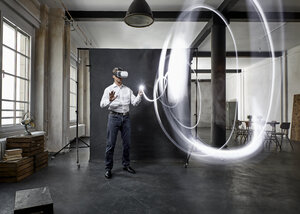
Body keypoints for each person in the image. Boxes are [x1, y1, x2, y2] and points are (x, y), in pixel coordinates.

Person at [100, 67, 143, 179]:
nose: (119, 77)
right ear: (113, 76)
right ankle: (108, 168)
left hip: (126, 118)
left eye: (120, 75)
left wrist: (139, 95)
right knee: (110, 144)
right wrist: (110, 100)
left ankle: (126, 165)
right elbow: (102, 104)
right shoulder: (108, 89)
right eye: (117, 75)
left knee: (127, 144)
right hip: (113, 117)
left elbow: (134, 103)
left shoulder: (128, 90)